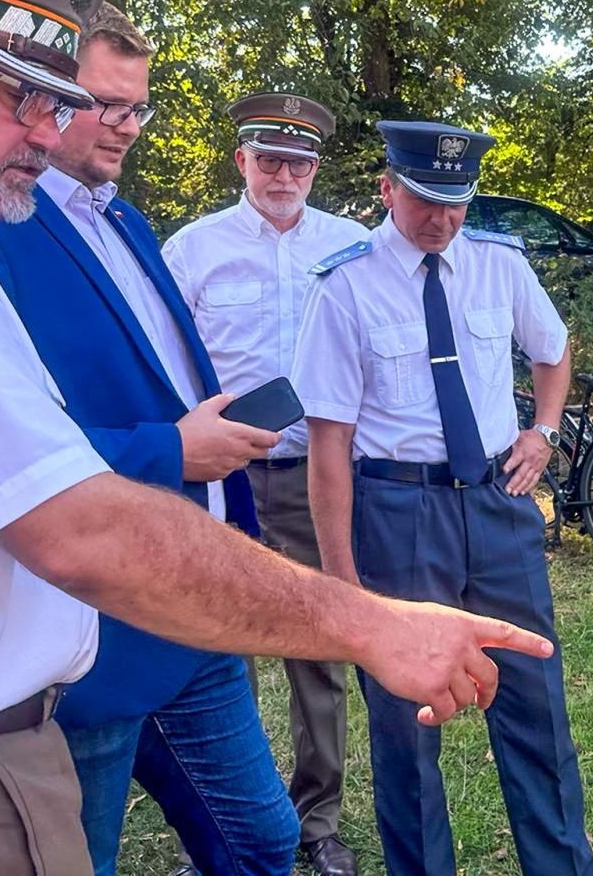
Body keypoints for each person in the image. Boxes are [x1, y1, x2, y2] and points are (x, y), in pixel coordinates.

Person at [0, 0, 552, 875]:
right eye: (26, 96)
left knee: (260, 837)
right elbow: (77, 527)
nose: (49, 134)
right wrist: (371, 622)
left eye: (69, 104)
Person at [0, 7, 300, 875]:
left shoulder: (125, 222)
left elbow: (163, 382)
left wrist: (219, 442)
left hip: (191, 600)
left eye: (138, 108)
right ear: (46, 97)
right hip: (93, 629)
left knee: (261, 840)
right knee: (80, 860)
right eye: (106, 104)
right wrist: (171, 450)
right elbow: (2, 443)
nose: (126, 126)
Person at [294, 120, 593, 876]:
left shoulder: (500, 265)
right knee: (405, 726)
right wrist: (342, 583)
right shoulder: (346, 284)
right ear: (388, 187)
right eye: (426, 201)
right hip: (398, 516)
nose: (442, 220)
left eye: (456, 203)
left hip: (497, 506)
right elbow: (329, 442)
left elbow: (553, 351)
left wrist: (545, 431)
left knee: (535, 705)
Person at [164, 91, 370, 876]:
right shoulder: (194, 249)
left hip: (320, 477)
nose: (285, 173)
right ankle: (225, 823)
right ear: (242, 160)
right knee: (221, 650)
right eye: (270, 159)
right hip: (224, 481)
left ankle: (316, 821)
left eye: (300, 161)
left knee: (318, 644)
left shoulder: (351, 246)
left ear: (316, 168)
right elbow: (165, 363)